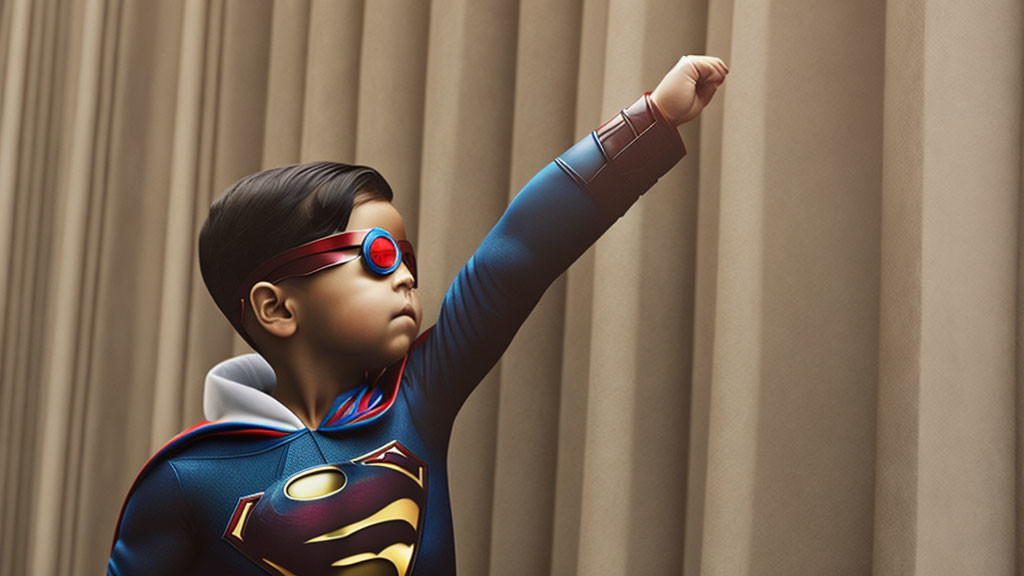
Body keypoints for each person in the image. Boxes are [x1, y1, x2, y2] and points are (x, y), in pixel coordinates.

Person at [107, 54, 728, 575]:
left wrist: (650, 120)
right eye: (375, 256)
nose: (405, 274)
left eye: (407, 256)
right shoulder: (187, 478)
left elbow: (517, 258)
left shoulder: (413, 401)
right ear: (276, 306)